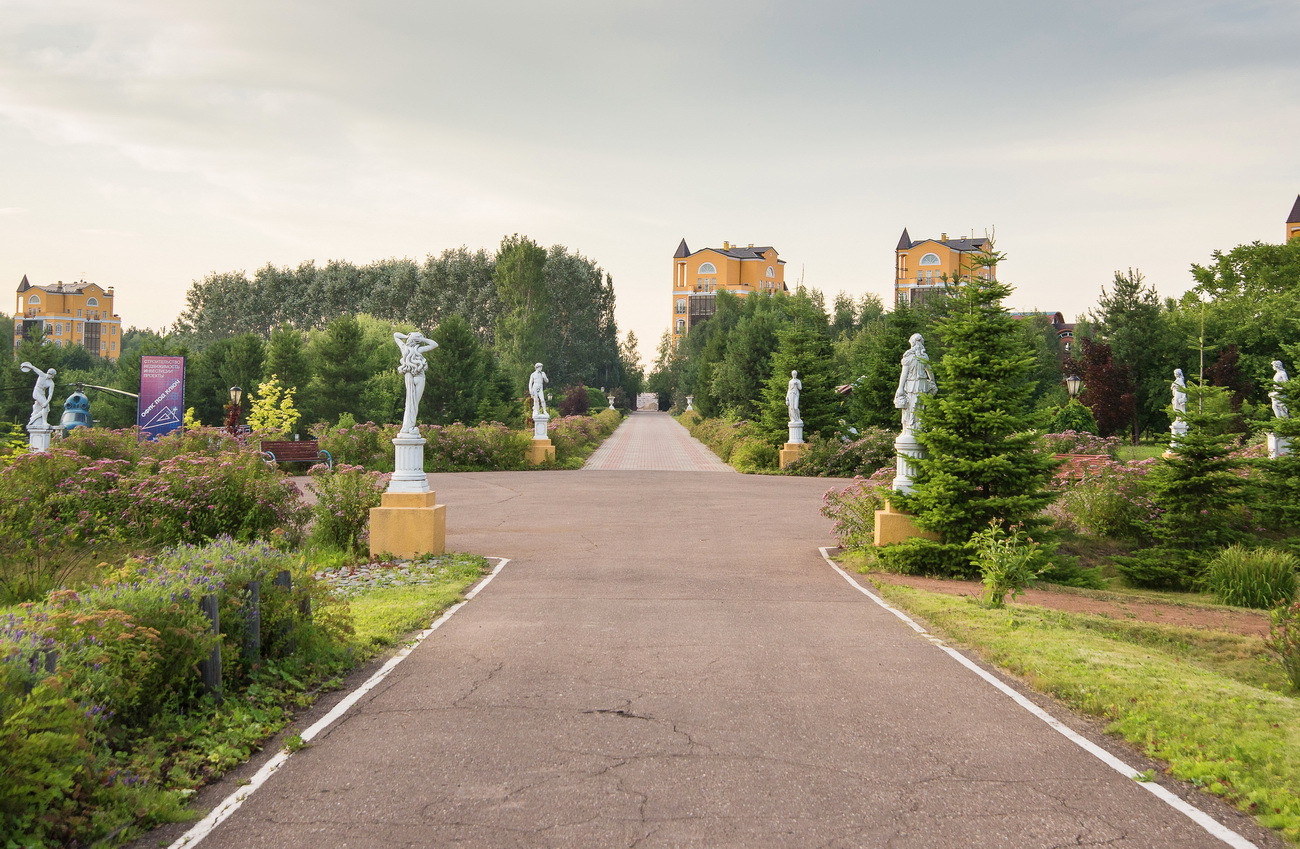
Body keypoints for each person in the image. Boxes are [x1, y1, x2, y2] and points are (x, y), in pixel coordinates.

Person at [394, 330, 437, 435]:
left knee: (409, 403)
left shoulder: (404, 348)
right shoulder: (419, 350)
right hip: (419, 377)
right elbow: (434, 344)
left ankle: (407, 427)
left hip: (409, 377)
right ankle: (409, 427)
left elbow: (395, 335)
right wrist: (422, 339)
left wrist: (406, 336)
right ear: (417, 341)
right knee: (414, 404)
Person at [894, 334, 936, 433]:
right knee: (919, 407)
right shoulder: (924, 356)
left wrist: (900, 388)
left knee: (910, 407)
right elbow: (930, 371)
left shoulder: (908, 356)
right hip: (922, 385)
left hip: (911, 385)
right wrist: (932, 381)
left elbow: (904, 374)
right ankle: (917, 428)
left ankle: (910, 429)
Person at [20, 362, 56, 429]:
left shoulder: (51, 383)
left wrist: (46, 402)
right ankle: (44, 422)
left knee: (46, 408)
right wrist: (25, 365)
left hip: (42, 393)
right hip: (36, 392)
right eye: (49, 374)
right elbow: (33, 368)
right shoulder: (42, 375)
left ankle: (35, 418)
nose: (50, 376)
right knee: (46, 407)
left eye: (52, 375)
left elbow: (50, 394)